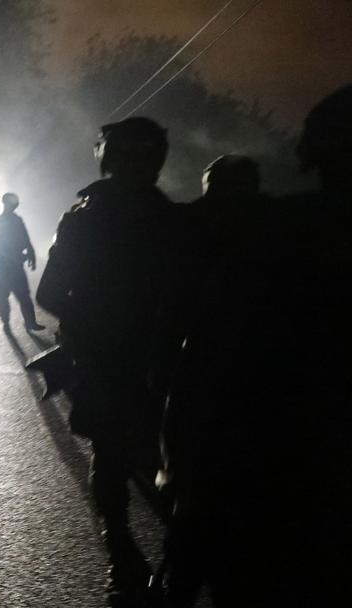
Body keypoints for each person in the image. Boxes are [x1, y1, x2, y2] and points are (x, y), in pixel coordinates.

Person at [161, 86, 352, 607]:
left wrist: (182, 464)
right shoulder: (277, 228)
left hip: (276, 461)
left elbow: (209, 357)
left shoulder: (281, 235)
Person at [36, 117, 180, 601]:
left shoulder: (84, 218)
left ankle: (123, 558)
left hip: (108, 359)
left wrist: (91, 328)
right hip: (165, 359)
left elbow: (51, 292)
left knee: (113, 459)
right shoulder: (175, 220)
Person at [0, 191, 45, 331]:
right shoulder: (3, 220)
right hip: (5, 263)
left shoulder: (12, 220)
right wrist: (31, 254)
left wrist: (31, 254)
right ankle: (11, 321)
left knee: (16, 294)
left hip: (9, 263)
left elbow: (26, 239)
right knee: (8, 294)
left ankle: (24, 322)